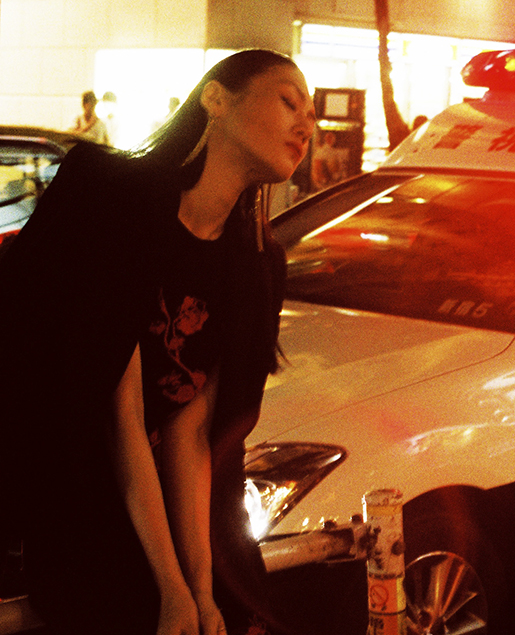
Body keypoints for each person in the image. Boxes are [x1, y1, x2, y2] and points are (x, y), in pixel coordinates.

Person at [0, 49, 315, 635]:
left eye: (313, 115)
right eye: (288, 102)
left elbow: (189, 431)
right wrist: (172, 588)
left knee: (231, 606)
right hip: (75, 483)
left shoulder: (254, 263)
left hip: (168, 502)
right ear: (215, 99)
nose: (306, 126)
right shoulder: (114, 202)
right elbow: (118, 414)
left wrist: (200, 590)